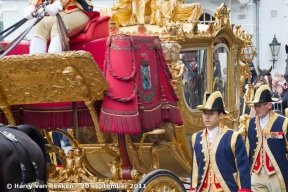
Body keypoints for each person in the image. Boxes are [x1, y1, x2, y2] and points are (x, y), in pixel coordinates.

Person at [190, 91, 251, 192]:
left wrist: (244, 189)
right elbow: (195, 168)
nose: (207, 117)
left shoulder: (233, 137)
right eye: (204, 113)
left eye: (211, 113)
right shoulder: (196, 137)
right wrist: (193, 188)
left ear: (220, 115)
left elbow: (242, 168)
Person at [245, 85, 288, 191]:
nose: (256, 109)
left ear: (269, 105)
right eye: (255, 106)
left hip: (276, 174)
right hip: (256, 173)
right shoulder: (249, 123)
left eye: (259, 105)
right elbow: (248, 149)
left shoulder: (283, 122)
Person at [23, 0, 93, 54]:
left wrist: (60, 2)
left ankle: (54, 66)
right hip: (54, 11)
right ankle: (36, 68)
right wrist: (33, 5)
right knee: (39, 28)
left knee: (58, 29)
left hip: (78, 10)